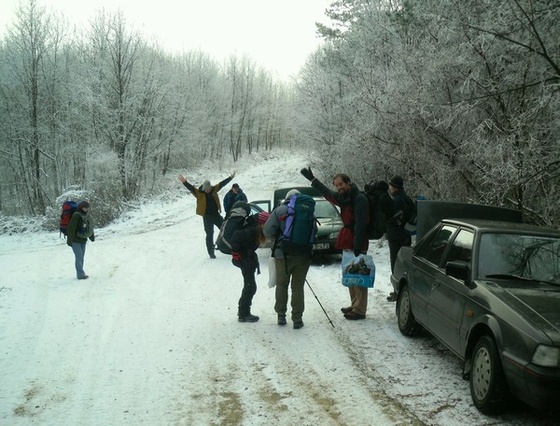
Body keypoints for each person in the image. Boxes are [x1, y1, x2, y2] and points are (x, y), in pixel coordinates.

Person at [300, 167, 370, 320]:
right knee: (350, 274)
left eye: (341, 184)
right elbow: (327, 193)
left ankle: (360, 309)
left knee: (359, 275)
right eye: (336, 185)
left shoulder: (359, 198)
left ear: (348, 183)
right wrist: (313, 180)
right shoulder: (343, 197)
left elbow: (361, 223)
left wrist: (358, 246)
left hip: (357, 241)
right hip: (347, 239)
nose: (338, 188)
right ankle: (354, 304)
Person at [263, 189, 314, 330]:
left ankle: (281, 315)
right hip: (303, 255)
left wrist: (279, 237)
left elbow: (267, 231)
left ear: (287, 198)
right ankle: (297, 319)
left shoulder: (280, 210)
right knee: (298, 287)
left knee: (282, 285)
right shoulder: (308, 211)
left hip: (282, 255)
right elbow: (313, 231)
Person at [178, 172, 234, 259]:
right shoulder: (199, 193)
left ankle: (231, 247)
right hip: (207, 218)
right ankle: (211, 252)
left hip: (216, 216)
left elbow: (222, 184)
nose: (207, 190)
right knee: (209, 234)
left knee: (225, 229)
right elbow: (191, 188)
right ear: (204, 188)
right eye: (206, 189)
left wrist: (230, 178)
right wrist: (184, 182)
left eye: (208, 189)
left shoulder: (214, 190)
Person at [230, 211, 270, 323]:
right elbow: (236, 236)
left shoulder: (255, 230)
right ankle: (244, 313)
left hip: (247, 258)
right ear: (261, 223)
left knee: (249, 286)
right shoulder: (252, 230)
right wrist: (236, 253)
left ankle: (243, 312)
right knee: (250, 286)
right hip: (244, 259)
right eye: (266, 224)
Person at [386, 175, 413, 302]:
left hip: (396, 235)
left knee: (395, 262)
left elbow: (392, 217)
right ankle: (402, 290)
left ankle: (397, 291)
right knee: (404, 263)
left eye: (390, 186)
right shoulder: (407, 198)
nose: (389, 188)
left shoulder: (397, 200)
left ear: (394, 187)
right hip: (406, 234)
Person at [66, 200, 95, 280]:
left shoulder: (86, 216)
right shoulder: (76, 216)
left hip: (83, 239)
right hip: (75, 240)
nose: (87, 209)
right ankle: (80, 274)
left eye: (87, 208)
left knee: (81, 257)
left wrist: (91, 237)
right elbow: (71, 228)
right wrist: (69, 240)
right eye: (86, 208)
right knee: (79, 257)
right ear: (81, 207)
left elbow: (89, 227)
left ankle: (81, 273)